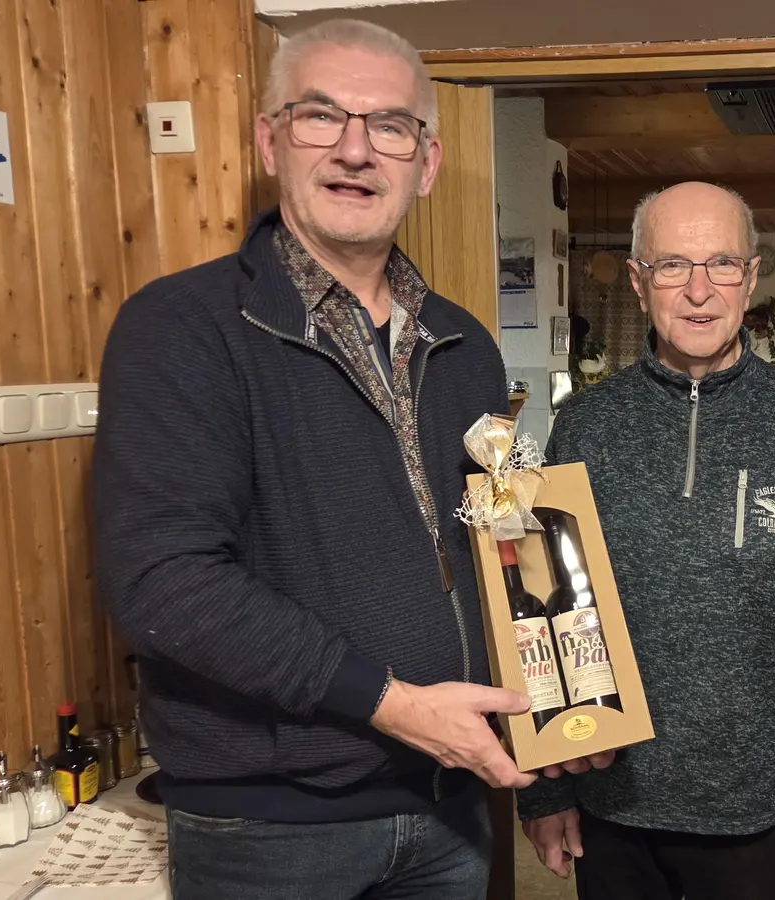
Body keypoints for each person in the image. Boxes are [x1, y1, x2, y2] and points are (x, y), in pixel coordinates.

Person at [94, 19, 605, 900]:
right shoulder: (181, 328)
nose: (356, 150)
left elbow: (507, 536)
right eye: (321, 116)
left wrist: (562, 706)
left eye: (391, 126)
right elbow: (162, 581)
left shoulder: (465, 343)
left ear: (428, 162)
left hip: (450, 806)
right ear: (269, 140)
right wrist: (397, 705)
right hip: (270, 828)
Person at [518, 182, 775, 900]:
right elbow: (540, 614)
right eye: (673, 266)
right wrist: (543, 789)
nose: (699, 291)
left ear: (751, 277)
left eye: (722, 265)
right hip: (610, 790)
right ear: (640, 284)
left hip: (753, 805)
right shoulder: (584, 426)